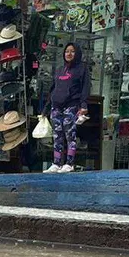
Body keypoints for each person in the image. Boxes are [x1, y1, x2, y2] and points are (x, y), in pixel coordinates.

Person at [45, 42, 90, 174]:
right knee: (57, 135)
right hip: (56, 106)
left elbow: (85, 87)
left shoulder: (82, 68)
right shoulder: (60, 69)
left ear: (77, 53)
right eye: (66, 51)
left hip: (71, 105)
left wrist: (83, 105)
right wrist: (46, 108)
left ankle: (69, 163)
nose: (69, 54)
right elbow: (53, 88)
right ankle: (56, 163)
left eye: (72, 51)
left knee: (70, 134)